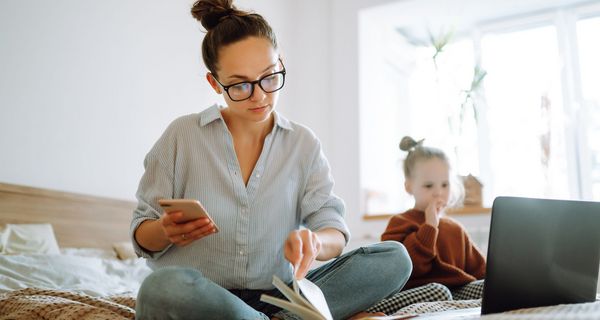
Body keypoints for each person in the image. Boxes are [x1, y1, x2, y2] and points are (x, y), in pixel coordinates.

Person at [130, 1, 412, 319]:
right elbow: (141, 233)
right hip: (206, 298)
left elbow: (332, 226)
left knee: (395, 258)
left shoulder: (303, 144)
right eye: (240, 85)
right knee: (161, 288)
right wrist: (164, 231)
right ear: (214, 83)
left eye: (269, 77)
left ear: (280, 62)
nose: (260, 96)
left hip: (281, 295)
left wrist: (316, 242)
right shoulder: (182, 135)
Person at [369, 136, 486, 314]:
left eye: (445, 185)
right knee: (439, 291)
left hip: (456, 293)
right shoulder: (399, 223)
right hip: (421, 292)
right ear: (409, 187)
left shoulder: (455, 229)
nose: (438, 192)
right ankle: (366, 312)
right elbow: (403, 269)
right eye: (429, 185)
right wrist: (430, 227)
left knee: (487, 287)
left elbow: (480, 269)